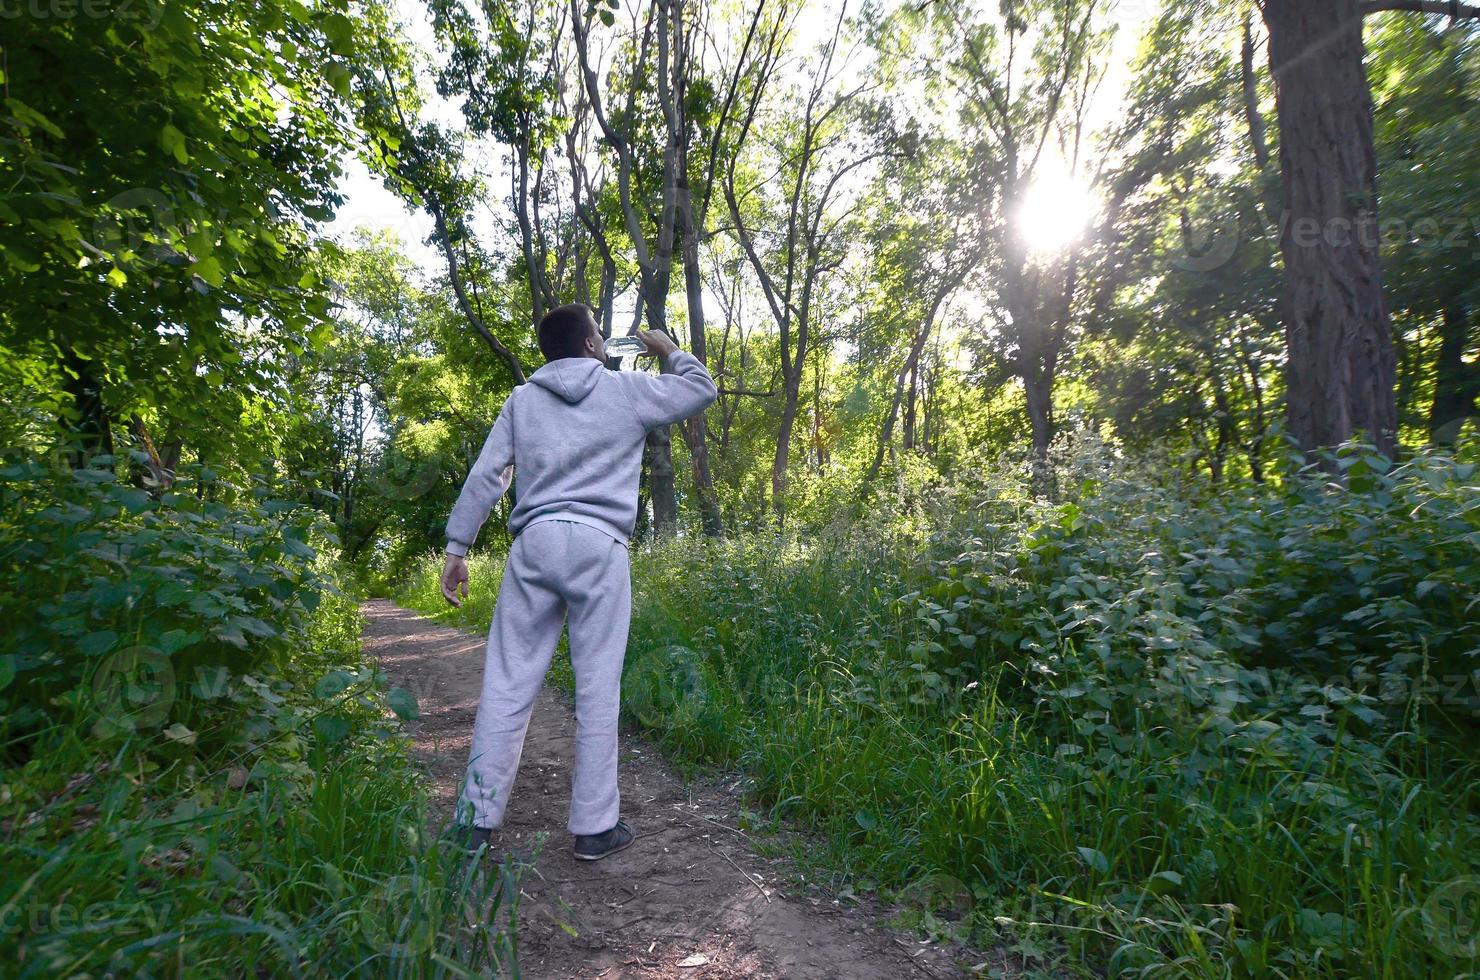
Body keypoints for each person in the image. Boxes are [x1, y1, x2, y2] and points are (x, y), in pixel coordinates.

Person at [439, 303, 717, 861]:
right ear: (591, 345)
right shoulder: (625, 390)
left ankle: (474, 822)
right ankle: (594, 829)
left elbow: (487, 475)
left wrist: (457, 548)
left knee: (508, 682)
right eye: (599, 335)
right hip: (599, 545)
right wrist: (668, 351)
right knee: (597, 686)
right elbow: (701, 389)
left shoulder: (522, 401)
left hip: (535, 543)